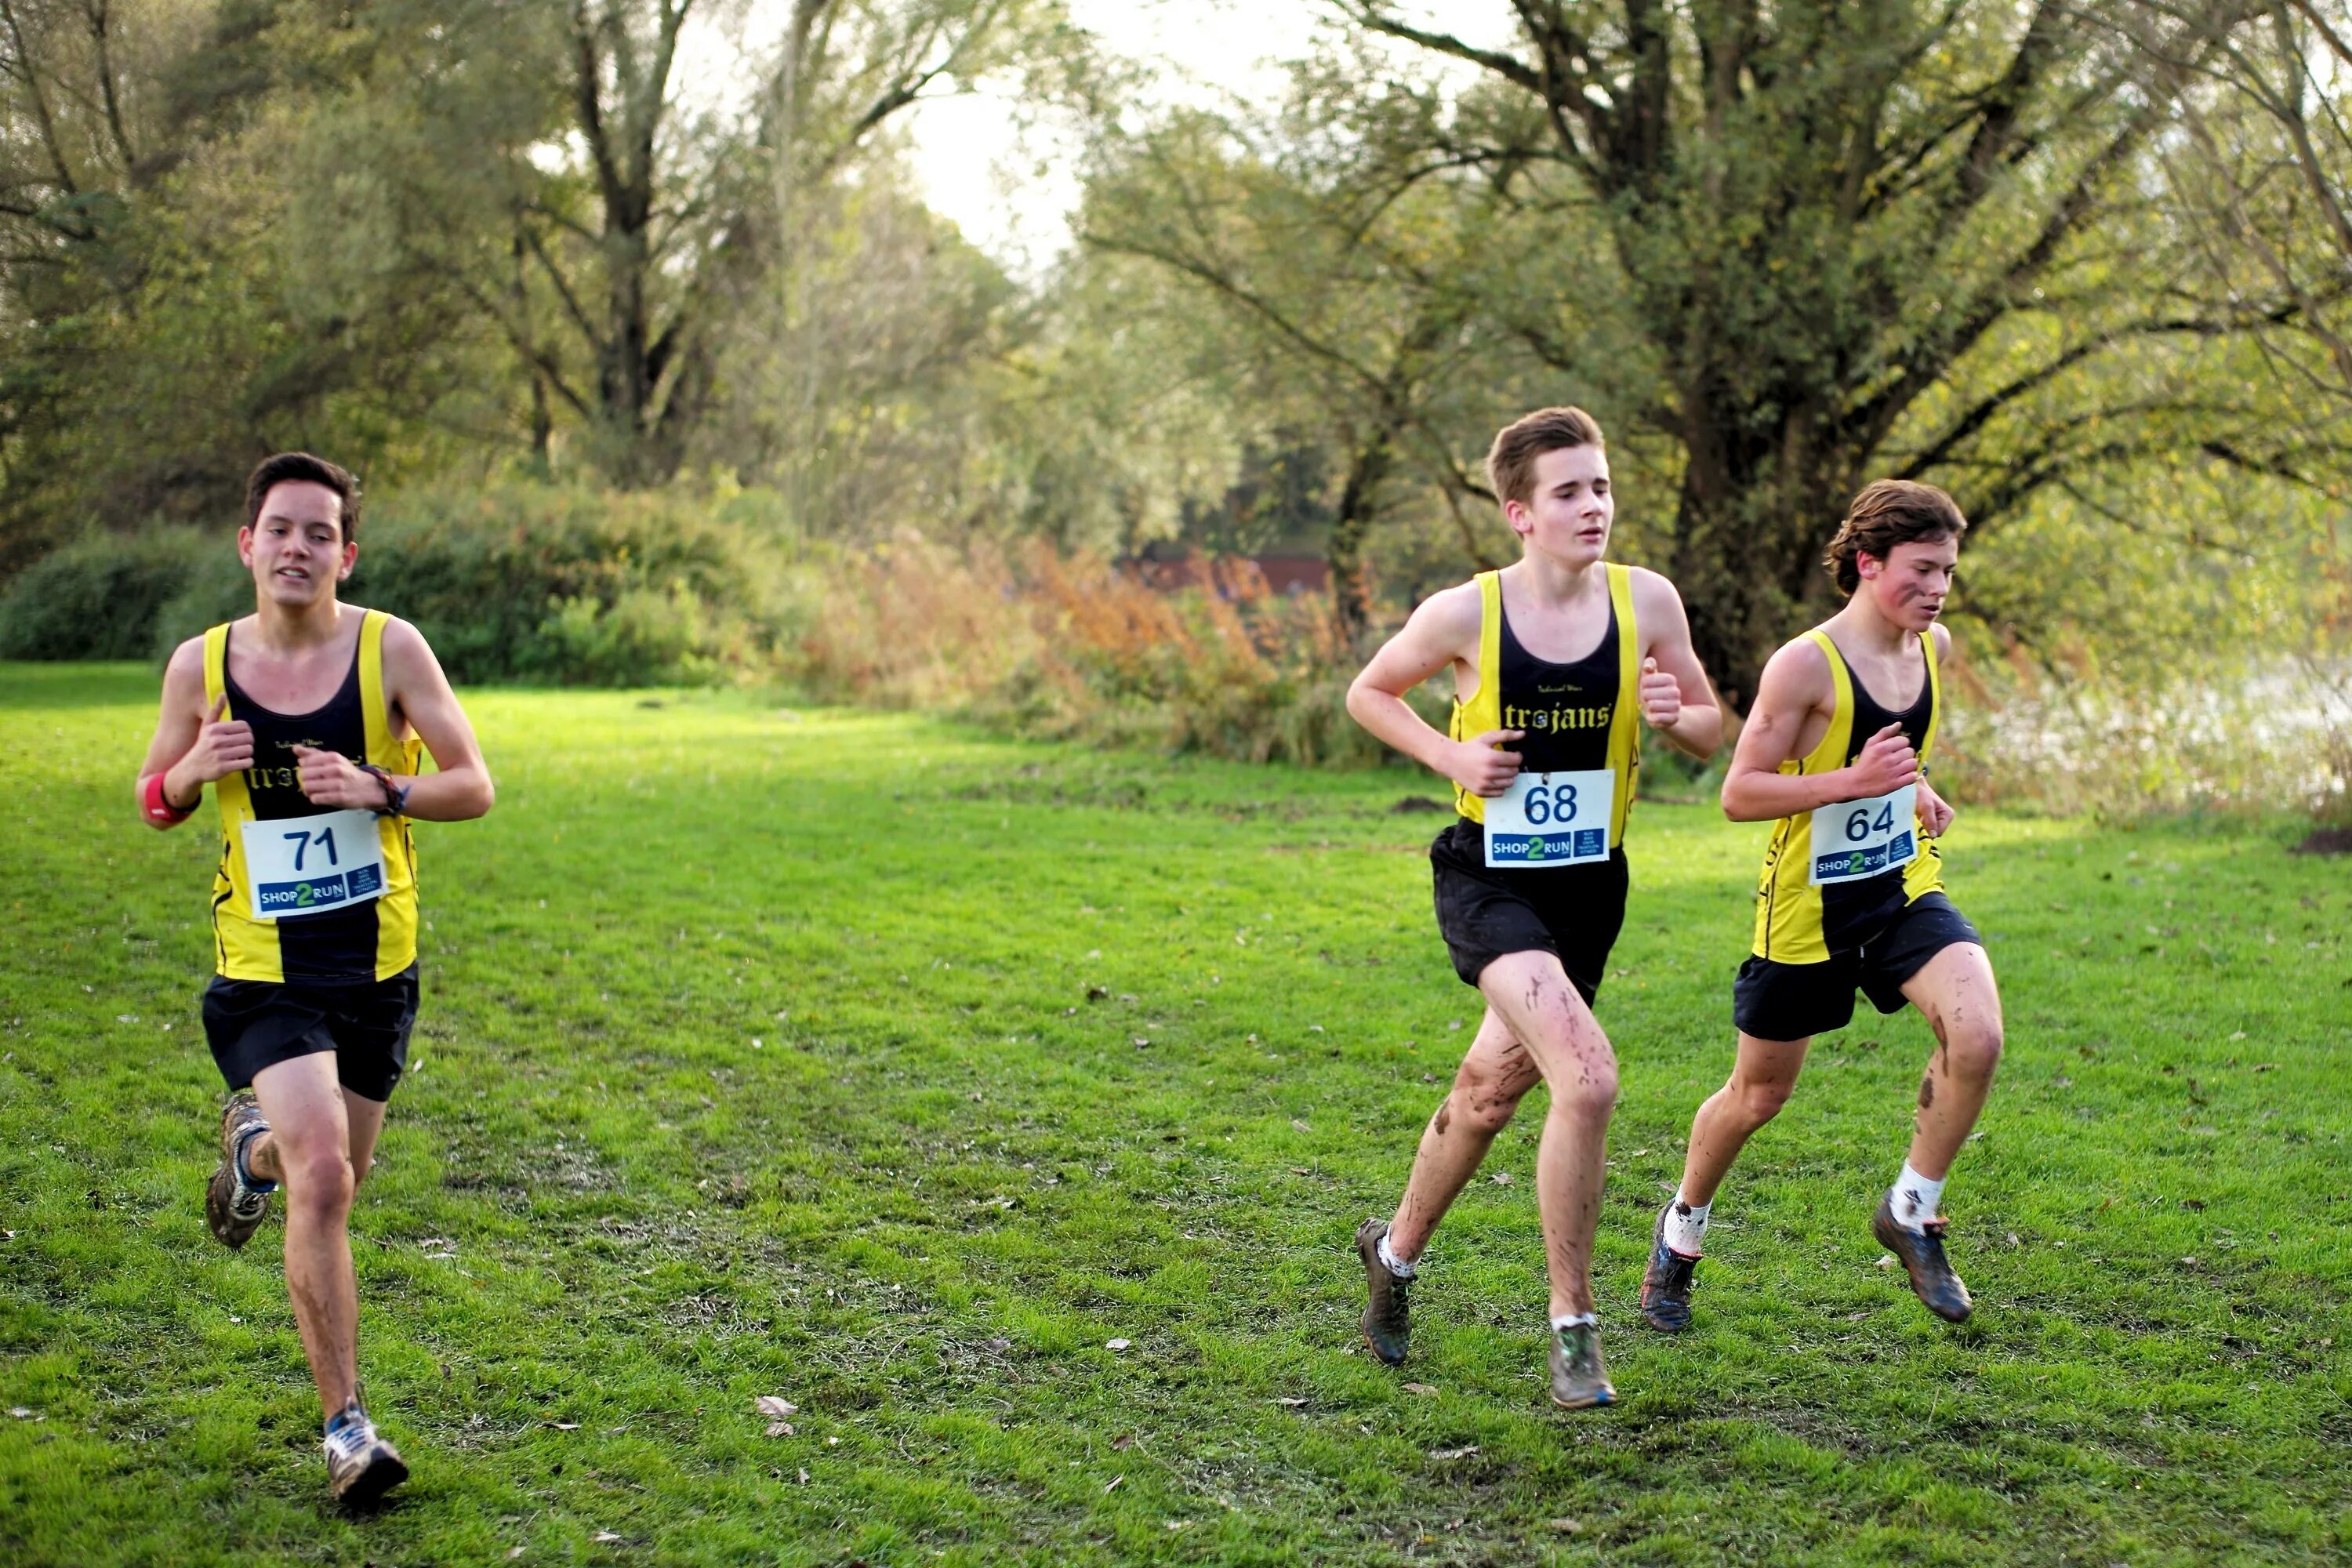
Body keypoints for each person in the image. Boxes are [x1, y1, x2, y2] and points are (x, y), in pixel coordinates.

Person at [133, 452, 494, 1504]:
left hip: (377, 966)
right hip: (261, 968)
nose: (298, 547)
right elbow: (154, 796)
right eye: (279, 529)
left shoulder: (390, 649)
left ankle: (251, 1150)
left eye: (318, 532)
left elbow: (474, 785)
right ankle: (347, 1432)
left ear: (346, 552)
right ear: (248, 545)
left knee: (333, 1176)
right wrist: (190, 774)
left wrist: (381, 786)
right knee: (326, 1175)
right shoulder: (199, 666)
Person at [1344, 406, 1721, 1408]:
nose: (1593, 505)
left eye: (1600, 485)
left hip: (1590, 885)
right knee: (1587, 1079)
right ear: (1520, 512)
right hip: (1489, 878)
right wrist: (1451, 753)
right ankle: (1574, 1325)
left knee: (1487, 1091)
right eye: (1569, 491)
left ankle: (1394, 1252)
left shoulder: (1650, 601)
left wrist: (1682, 720)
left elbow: (1710, 726)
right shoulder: (1467, 612)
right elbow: (1370, 693)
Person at [1639, 479, 2002, 1334]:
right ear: (1868, 564)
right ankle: (1680, 1231)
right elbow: (1738, 791)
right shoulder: (1805, 663)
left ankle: (1912, 1209)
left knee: (1977, 1032)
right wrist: (1857, 782)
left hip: (1901, 882)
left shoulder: (1931, 646)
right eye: (1921, 570)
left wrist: (1918, 789)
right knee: (1758, 1095)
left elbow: (1894, 753)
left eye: (1948, 570)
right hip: (1807, 905)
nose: (1938, 589)